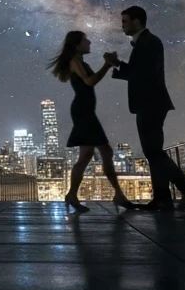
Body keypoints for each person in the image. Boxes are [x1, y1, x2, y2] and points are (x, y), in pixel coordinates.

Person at [103, 6, 185, 211]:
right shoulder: (146, 42)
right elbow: (141, 72)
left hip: (150, 103)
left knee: (153, 152)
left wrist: (117, 64)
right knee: (153, 152)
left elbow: (141, 74)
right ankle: (163, 198)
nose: (122, 26)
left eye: (125, 21)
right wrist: (118, 64)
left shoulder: (148, 42)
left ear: (137, 22)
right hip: (151, 103)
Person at [48, 30, 136, 213]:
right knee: (101, 151)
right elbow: (89, 82)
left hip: (85, 111)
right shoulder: (75, 61)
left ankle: (75, 194)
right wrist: (107, 64)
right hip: (83, 112)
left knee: (92, 154)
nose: (89, 43)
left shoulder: (79, 61)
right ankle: (115, 194)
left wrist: (108, 65)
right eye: (85, 40)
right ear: (76, 44)